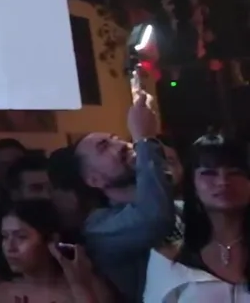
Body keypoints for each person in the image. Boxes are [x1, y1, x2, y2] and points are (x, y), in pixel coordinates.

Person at [48, 91, 173, 301]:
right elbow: (154, 217)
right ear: (94, 180)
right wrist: (145, 139)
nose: (122, 145)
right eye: (104, 147)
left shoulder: (171, 201)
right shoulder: (99, 228)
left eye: (117, 139)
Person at [144, 134, 250, 302]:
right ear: (192, 184)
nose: (223, 182)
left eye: (235, 173)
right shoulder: (168, 259)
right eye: (209, 173)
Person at [0, 199, 112, 303]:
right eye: (5, 236)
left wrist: (80, 288)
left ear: (51, 240)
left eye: (21, 237)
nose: (10, 247)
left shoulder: (89, 287)